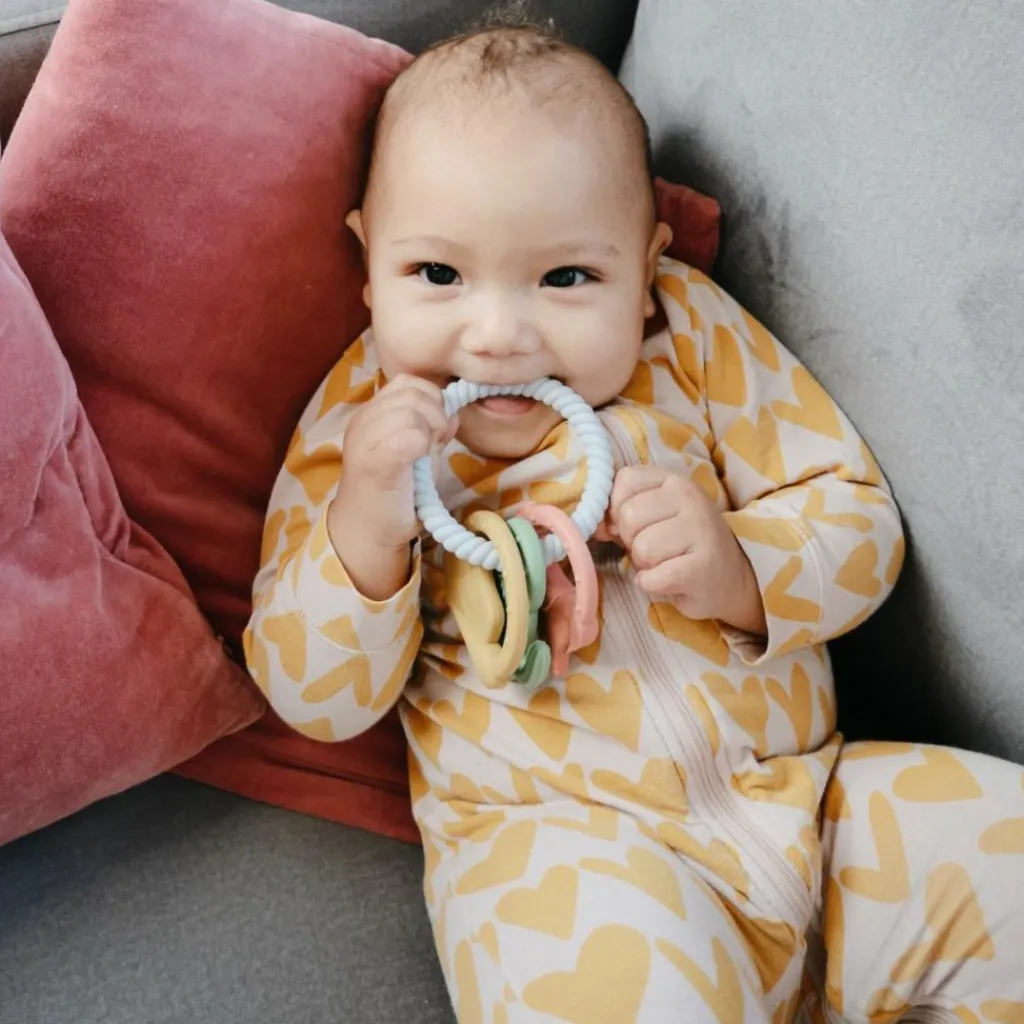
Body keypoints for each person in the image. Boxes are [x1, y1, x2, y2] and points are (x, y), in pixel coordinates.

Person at [245, 19, 1024, 1023]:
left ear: (647, 267)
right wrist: (364, 526)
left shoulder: (688, 336)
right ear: (367, 261)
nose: (498, 335)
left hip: (809, 805)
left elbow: (859, 519)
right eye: (437, 275)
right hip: (559, 847)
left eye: (567, 277)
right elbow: (310, 696)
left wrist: (741, 565)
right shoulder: (360, 430)